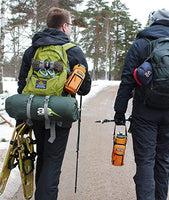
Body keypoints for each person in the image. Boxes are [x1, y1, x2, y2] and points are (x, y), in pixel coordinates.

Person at [17, 7, 91, 200]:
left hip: (34, 112)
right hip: (59, 114)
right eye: (70, 26)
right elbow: (85, 88)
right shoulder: (73, 51)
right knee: (53, 162)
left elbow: (21, 85)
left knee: (42, 157)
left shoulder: (32, 49)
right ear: (64, 26)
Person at [114, 8, 169, 200]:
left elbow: (128, 80)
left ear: (152, 21)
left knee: (145, 162)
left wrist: (119, 111)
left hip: (145, 113)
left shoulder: (141, 43)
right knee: (162, 161)